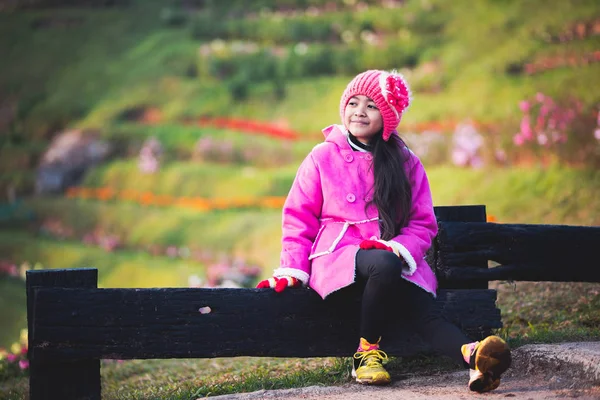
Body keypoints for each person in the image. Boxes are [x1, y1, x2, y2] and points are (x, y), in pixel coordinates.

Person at [256, 69, 511, 392]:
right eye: (353, 102)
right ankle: (366, 354)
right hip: (338, 258)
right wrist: (293, 268)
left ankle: (474, 358)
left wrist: (399, 247)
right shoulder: (322, 156)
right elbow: (298, 216)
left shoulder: (405, 162)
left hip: (389, 262)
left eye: (371, 106)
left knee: (424, 310)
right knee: (384, 264)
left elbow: (422, 223)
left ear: (388, 117)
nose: (359, 111)